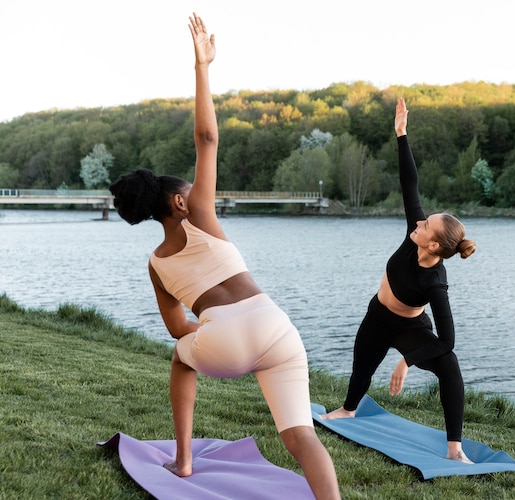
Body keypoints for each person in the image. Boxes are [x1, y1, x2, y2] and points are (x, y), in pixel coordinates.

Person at [109, 13, 340, 499]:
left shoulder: (156, 263)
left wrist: (210, 333)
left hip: (225, 340)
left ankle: (185, 460)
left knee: (180, 358)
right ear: (178, 202)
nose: (198, 193)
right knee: (301, 437)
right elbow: (208, 139)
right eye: (191, 190)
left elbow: (177, 330)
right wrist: (203, 67)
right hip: (278, 327)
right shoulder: (199, 216)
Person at [322, 97, 476, 464]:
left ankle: (455, 448)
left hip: (410, 329)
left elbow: (447, 338)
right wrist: (401, 134)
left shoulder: (435, 282)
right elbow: (412, 184)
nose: (419, 223)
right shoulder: (415, 233)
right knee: (362, 369)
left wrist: (408, 361)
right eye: (422, 220)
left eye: (425, 225)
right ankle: (348, 409)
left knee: (449, 364)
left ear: (434, 243)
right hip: (378, 317)